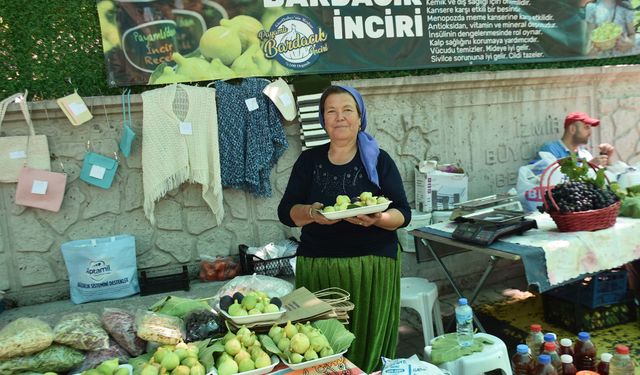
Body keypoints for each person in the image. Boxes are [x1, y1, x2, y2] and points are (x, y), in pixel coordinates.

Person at [277, 85, 411, 372]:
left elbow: (402, 212)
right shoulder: (309, 162)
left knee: (367, 341)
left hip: (372, 266)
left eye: (347, 110)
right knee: (319, 345)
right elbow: (287, 213)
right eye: (331, 112)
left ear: (360, 117)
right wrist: (313, 213)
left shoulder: (378, 160)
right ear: (323, 120)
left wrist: (378, 219)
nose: (340, 117)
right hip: (319, 265)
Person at [538, 111, 615, 166]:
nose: (590, 133)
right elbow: (550, 180)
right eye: (586, 128)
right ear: (572, 129)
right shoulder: (550, 150)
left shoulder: (585, 154)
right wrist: (589, 166)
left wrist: (607, 161)